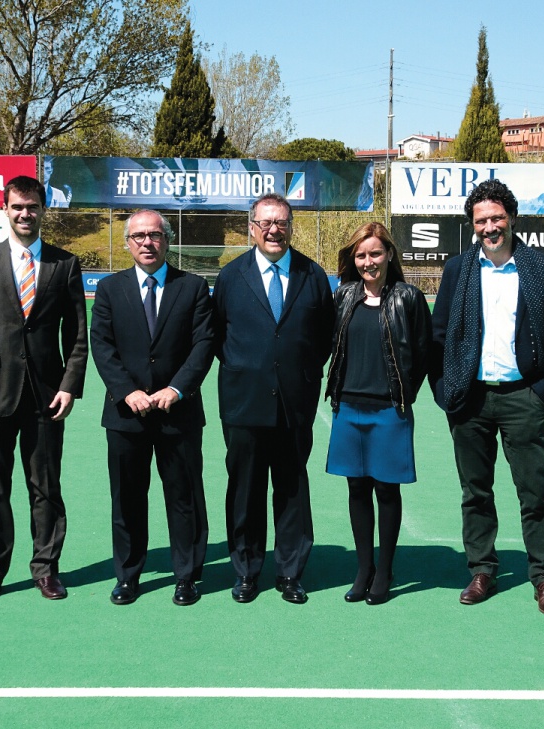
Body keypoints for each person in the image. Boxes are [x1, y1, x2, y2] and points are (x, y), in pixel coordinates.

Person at [430, 178, 544, 616]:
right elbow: (438, 337)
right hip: (470, 399)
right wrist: (444, 389)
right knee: (475, 493)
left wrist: (542, 390)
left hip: (522, 398)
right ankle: (482, 570)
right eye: (481, 220)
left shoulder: (543, 270)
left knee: (534, 492)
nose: (489, 226)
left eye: (496, 217)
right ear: (472, 225)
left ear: (511, 218)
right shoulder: (458, 269)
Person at [0, 175, 88, 606]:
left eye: (32, 207)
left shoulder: (65, 264)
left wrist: (70, 386)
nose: (25, 214)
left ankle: (46, 569)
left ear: (43, 210)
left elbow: (78, 335)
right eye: (17, 207)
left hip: (47, 396)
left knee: (45, 487)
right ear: (5, 209)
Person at [213, 193, 334, 604]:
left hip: (294, 405)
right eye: (265, 223)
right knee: (244, 491)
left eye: (281, 222)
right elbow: (216, 337)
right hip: (243, 406)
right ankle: (246, 571)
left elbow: (324, 337)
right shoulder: (231, 277)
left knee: (292, 490)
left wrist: (300, 373)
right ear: (252, 228)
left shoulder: (312, 275)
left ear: (290, 226)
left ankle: (290, 572)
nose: (273, 230)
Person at [90, 209, 215, 607]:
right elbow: (103, 346)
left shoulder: (193, 287)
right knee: (127, 499)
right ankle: (128, 577)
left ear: (167, 240)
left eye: (156, 235)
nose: (148, 242)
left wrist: (176, 389)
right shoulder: (110, 289)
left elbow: (203, 345)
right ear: (128, 242)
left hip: (178, 413)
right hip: (127, 416)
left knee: (184, 498)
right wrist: (127, 392)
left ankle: (187, 576)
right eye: (139, 236)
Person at [324, 222, 431, 605]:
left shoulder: (409, 297)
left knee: (387, 489)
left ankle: (384, 570)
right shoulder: (344, 296)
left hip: (389, 411)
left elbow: (422, 353)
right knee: (356, 488)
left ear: (389, 255)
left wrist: (405, 394)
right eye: (361, 255)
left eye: (375, 253)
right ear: (353, 259)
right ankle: (362, 568)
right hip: (348, 408)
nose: (368, 261)